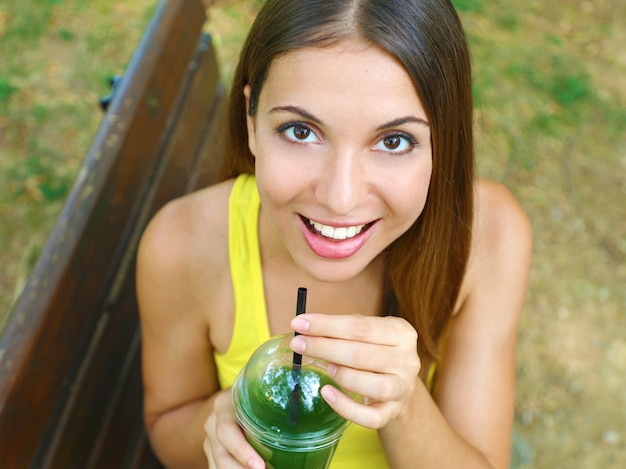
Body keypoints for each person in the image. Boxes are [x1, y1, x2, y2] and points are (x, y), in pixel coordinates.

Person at [136, 0, 532, 467]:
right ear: (251, 121)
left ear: (442, 142)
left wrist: (402, 407)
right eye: (301, 131)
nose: (340, 199)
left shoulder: (489, 238)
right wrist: (222, 419)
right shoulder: (182, 247)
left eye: (393, 140)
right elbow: (168, 424)